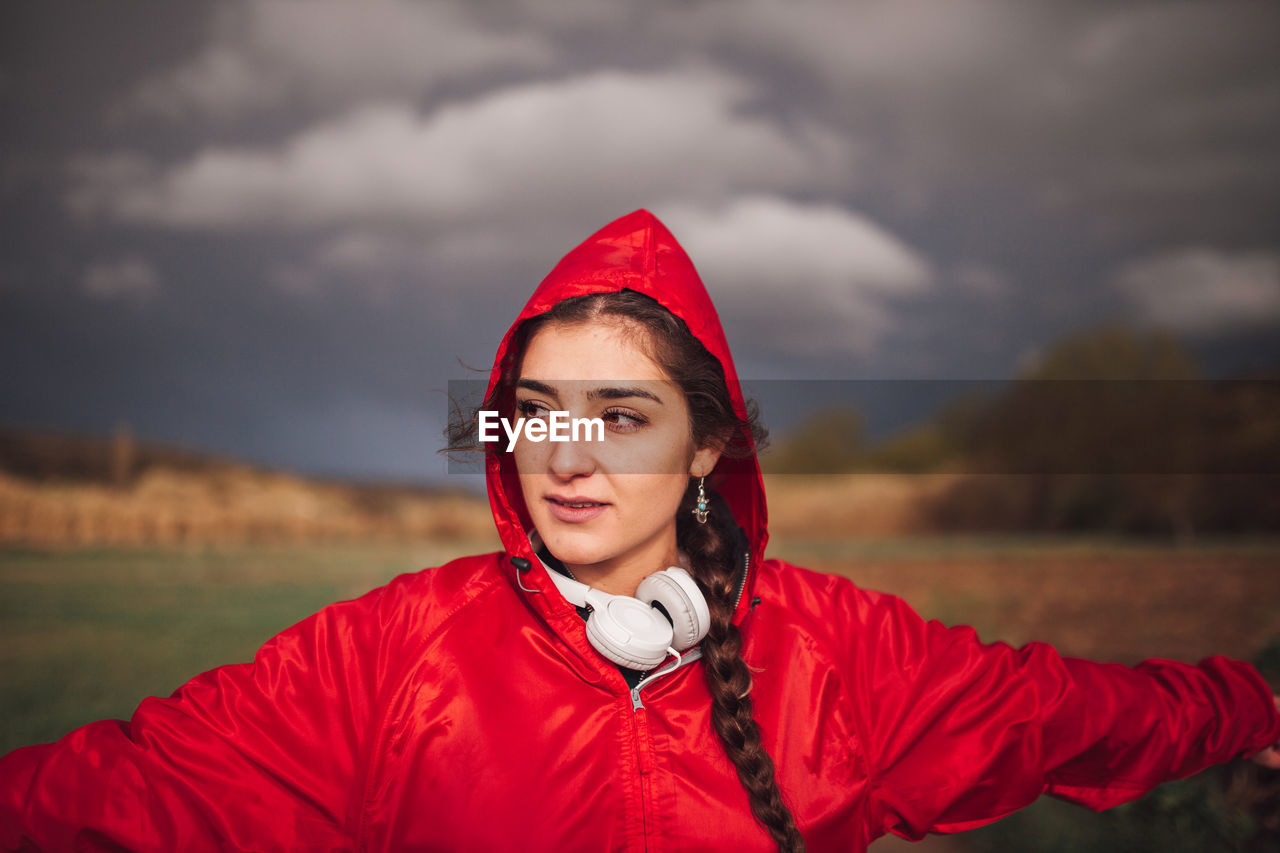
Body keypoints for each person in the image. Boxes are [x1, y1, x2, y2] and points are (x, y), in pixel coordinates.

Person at [2, 210, 1277, 852]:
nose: (565, 454)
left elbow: (1066, 710)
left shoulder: (840, 649)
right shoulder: (392, 649)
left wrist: (1254, 706)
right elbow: (123, 787)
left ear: (708, 444)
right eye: (533, 414)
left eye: (622, 415)